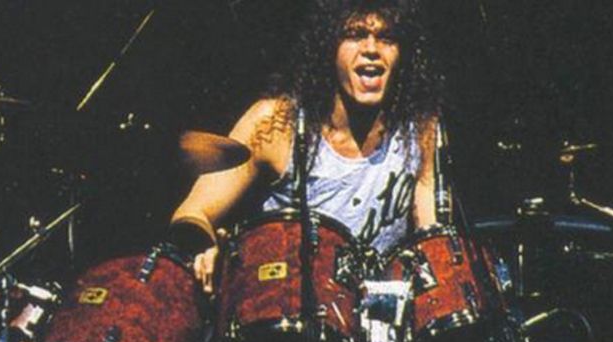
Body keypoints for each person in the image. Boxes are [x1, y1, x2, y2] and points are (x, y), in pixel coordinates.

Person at [169, 0, 444, 287]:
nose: (371, 49)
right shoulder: (275, 124)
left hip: (381, 307)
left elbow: (430, 236)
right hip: (286, 299)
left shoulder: (419, 127)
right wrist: (207, 250)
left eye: (387, 38)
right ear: (329, 49)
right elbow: (193, 212)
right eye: (354, 35)